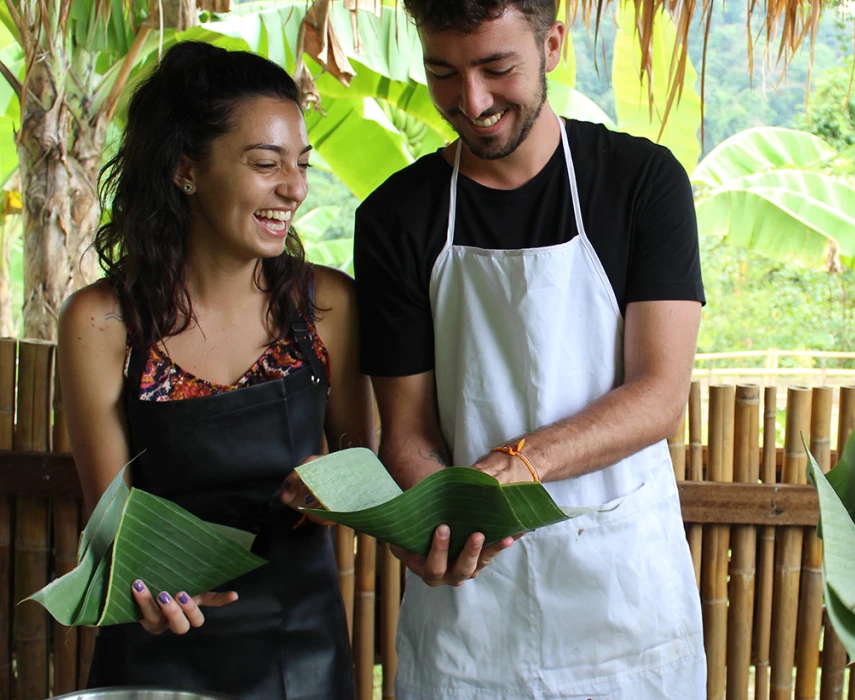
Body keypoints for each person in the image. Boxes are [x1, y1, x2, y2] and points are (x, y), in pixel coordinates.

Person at [352, 0, 706, 696]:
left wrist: (517, 466)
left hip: (621, 599)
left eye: (496, 68)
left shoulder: (641, 183)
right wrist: (436, 522)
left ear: (551, 44)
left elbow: (660, 396)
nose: (472, 100)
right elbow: (409, 433)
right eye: (443, 73)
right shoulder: (396, 216)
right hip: (469, 615)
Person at [57, 41, 372, 697]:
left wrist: (339, 486)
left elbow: (364, 460)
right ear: (185, 169)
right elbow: (111, 521)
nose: (294, 187)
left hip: (303, 649)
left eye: (301, 164)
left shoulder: (329, 307)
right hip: (157, 650)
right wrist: (142, 583)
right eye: (266, 164)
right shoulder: (102, 323)